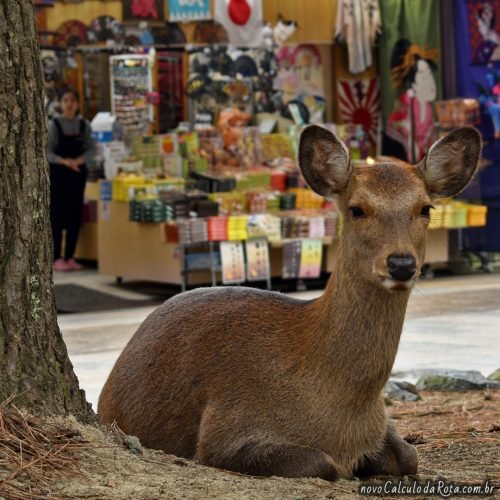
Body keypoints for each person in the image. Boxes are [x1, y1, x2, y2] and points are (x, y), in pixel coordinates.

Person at [48, 87, 94, 271]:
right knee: (57, 216)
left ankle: (70, 256)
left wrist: (78, 161)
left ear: (77, 104)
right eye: (65, 100)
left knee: (75, 216)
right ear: (60, 104)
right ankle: (56, 257)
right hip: (59, 175)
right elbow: (48, 152)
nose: (69, 104)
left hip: (77, 176)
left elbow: (91, 149)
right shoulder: (54, 125)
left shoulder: (85, 126)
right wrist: (65, 162)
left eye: (72, 101)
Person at [385, 39, 439, 163]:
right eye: (424, 76)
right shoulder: (402, 109)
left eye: (429, 74)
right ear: (412, 84)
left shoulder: (428, 107)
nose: (430, 82)